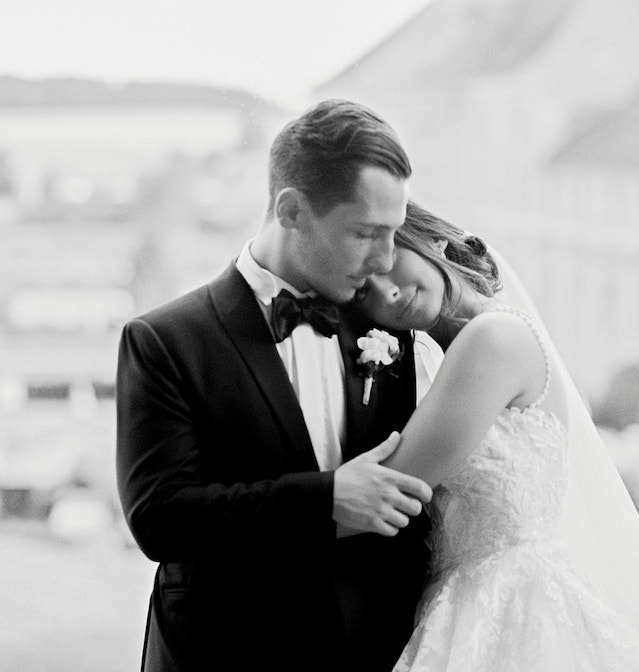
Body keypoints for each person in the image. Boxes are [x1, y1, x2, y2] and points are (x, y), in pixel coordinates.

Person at [116, 100, 443, 671]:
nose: (386, 258)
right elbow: (160, 518)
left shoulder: (386, 327)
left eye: (394, 232)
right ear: (291, 211)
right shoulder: (166, 341)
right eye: (366, 232)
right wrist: (327, 500)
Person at [351, 202, 639, 671]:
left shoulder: (493, 338)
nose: (385, 293)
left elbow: (393, 485)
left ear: (434, 242)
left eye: (387, 266)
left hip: (506, 603)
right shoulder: (461, 348)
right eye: (362, 290)